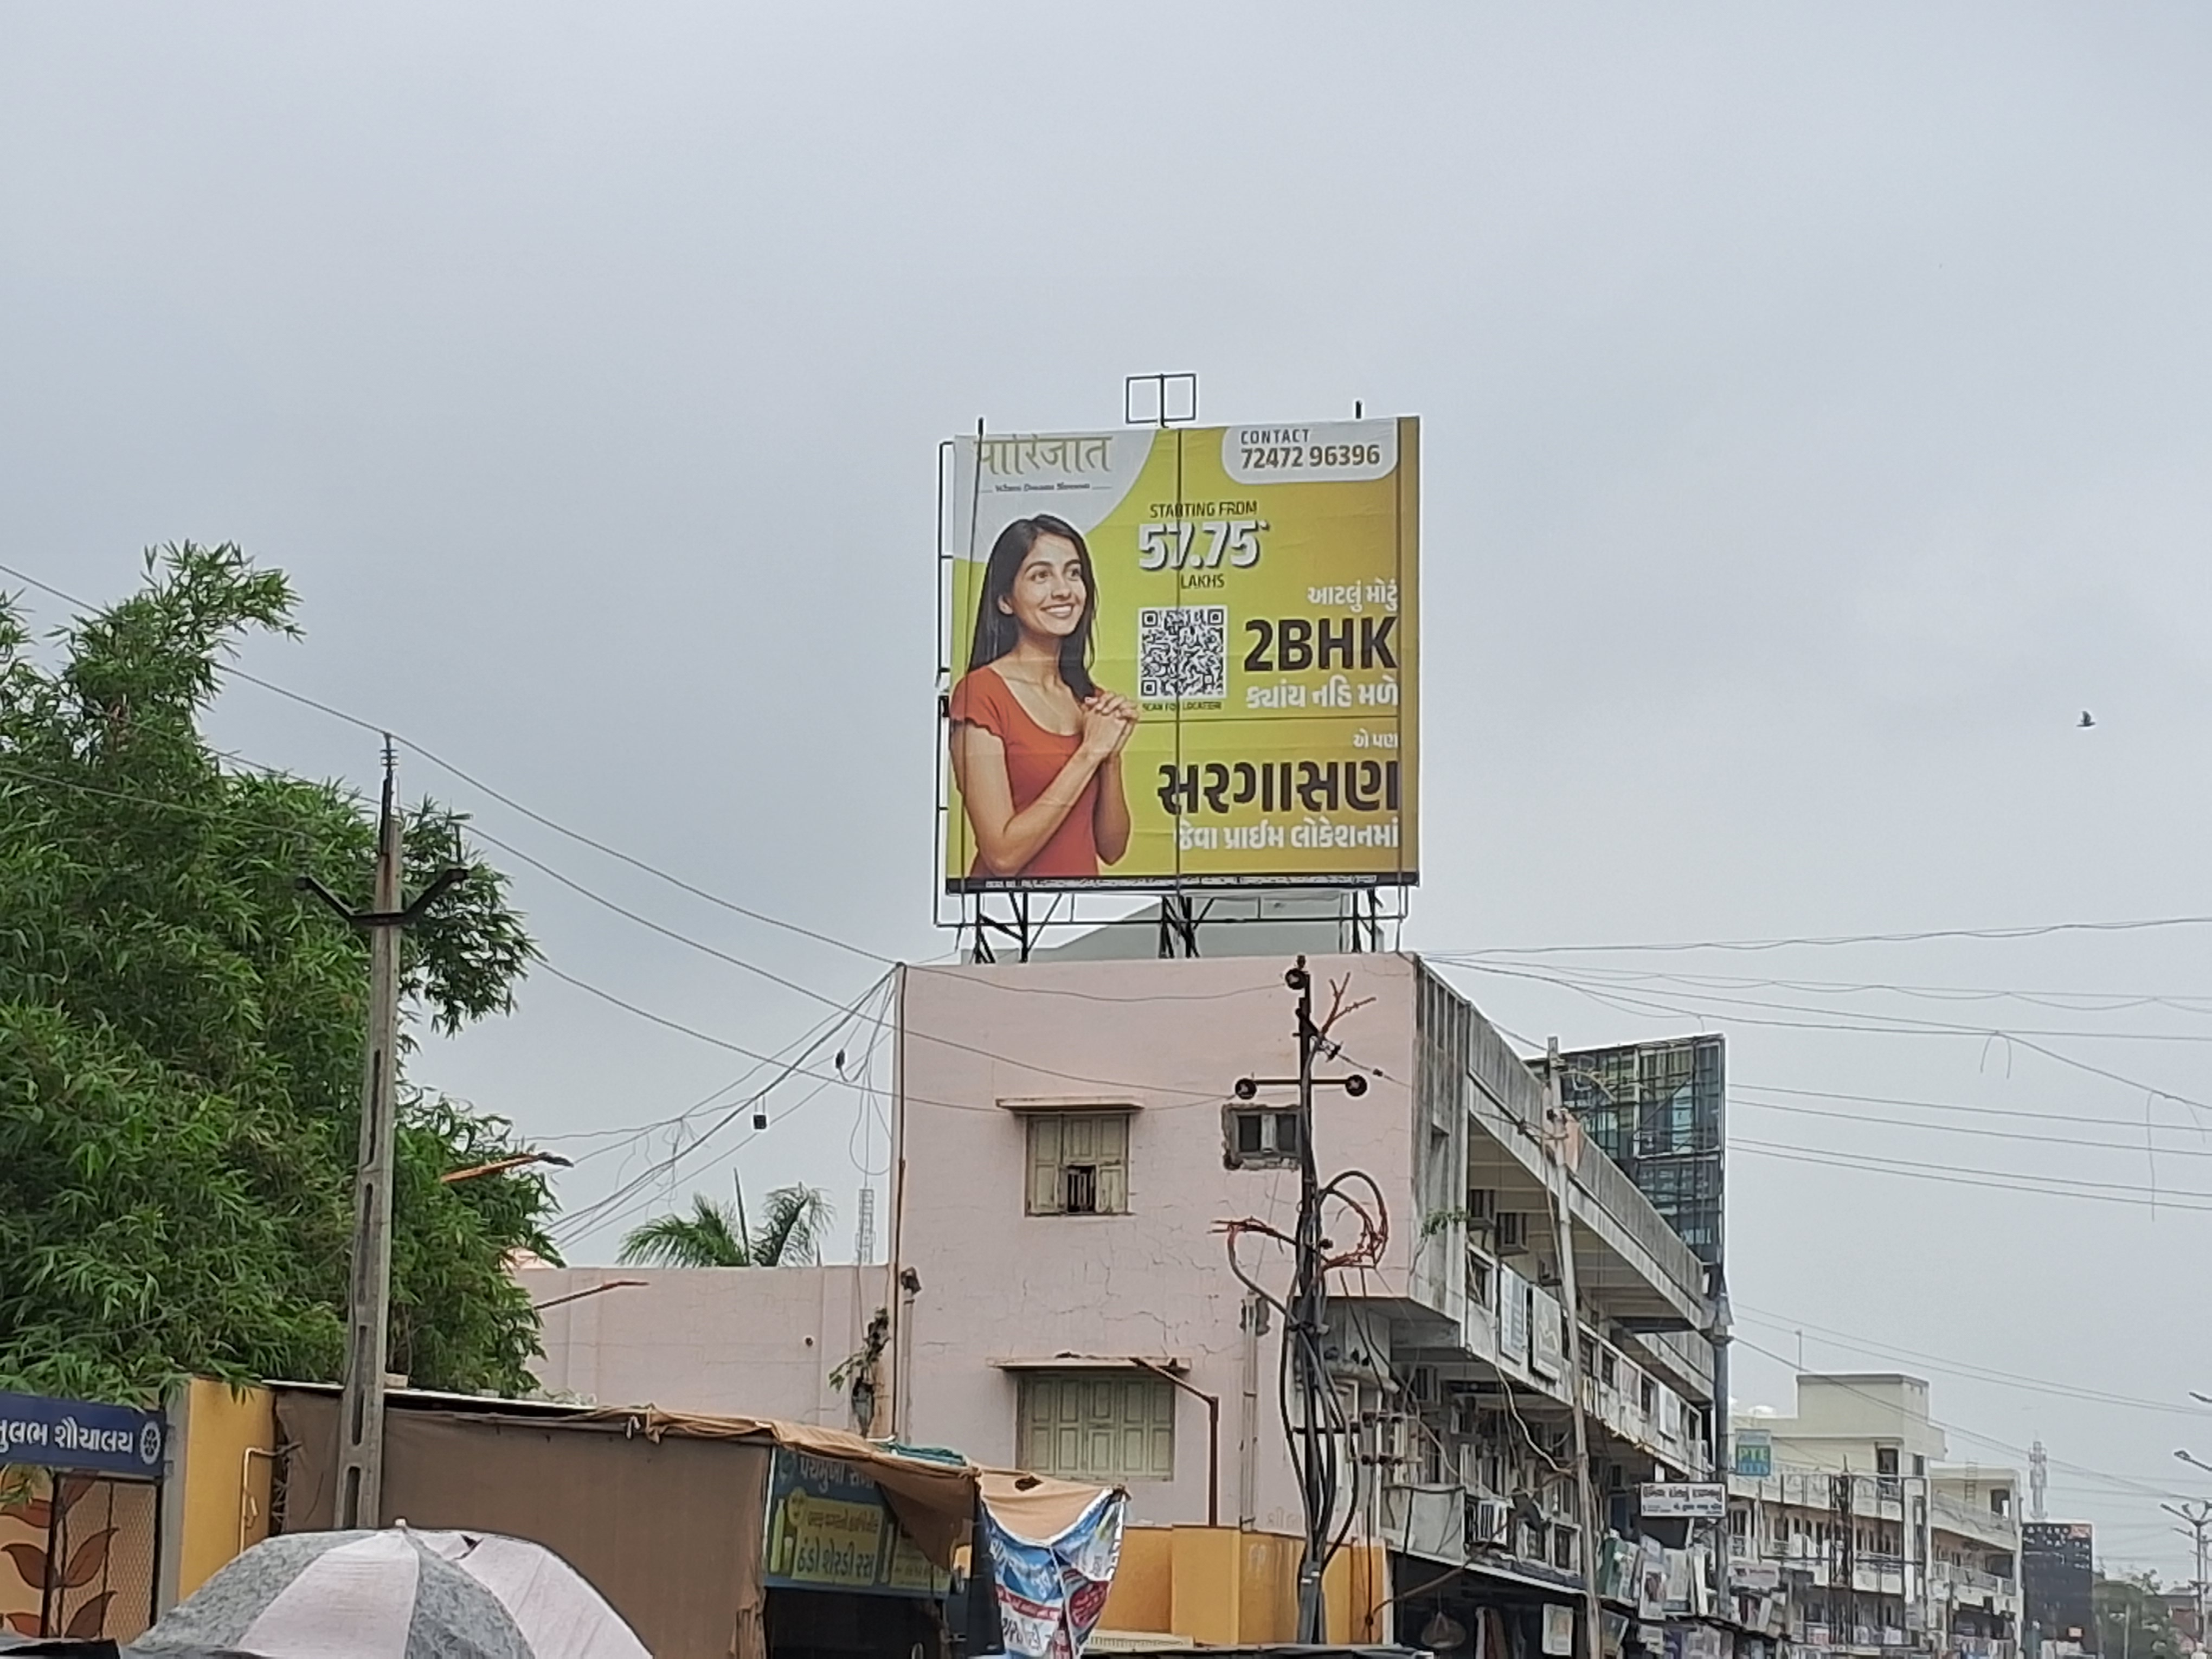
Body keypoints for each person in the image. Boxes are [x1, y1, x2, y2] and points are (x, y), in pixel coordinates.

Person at [948, 514, 1138, 880]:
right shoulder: (981, 695)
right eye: (1041, 575)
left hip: (1082, 917)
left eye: (1073, 572)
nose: (1064, 590)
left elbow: (1112, 850)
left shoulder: (1089, 698)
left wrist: (1110, 758)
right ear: (1006, 600)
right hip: (1007, 920)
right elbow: (1003, 856)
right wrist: (1088, 754)